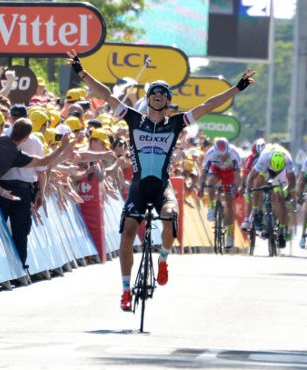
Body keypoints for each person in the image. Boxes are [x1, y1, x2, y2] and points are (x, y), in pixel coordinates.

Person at [67, 50, 255, 311]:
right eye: (154, 92)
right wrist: (82, 73)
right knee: (127, 235)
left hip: (162, 187)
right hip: (139, 187)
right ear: (148, 98)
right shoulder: (134, 118)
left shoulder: (176, 122)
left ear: (168, 101)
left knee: (169, 215)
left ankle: (163, 260)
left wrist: (237, 88)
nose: (158, 95)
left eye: (163, 93)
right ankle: (124, 291)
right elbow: (106, 95)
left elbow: (208, 105)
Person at [0, 118, 74, 269]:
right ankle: (19, 265)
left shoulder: (1, 139)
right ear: (26, 137)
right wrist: (62, 147)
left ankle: (4, 267)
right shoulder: (18, 150)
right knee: (20, 231)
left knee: (1, 229)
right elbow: (43, 164)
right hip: (18, 190)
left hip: (0, 188)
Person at [244, 144, 297, 248]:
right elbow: (250, 177)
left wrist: (286, 190)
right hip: (266, 170)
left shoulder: (287, 159)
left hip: (280, 174)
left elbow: (292, 181)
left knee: (281, 199)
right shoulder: (264, 158)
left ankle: (281, 231)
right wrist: (248, 191)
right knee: (257, 184)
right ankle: (256, 212)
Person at [198, 137, 241, 248]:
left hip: (229, 172)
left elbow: (237, 176)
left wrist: (235, 188)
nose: (222, 158)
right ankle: (212, 207)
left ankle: (229, 236)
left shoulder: (234, 154)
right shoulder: (210, 154)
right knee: (211, 182)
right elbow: (204, 173)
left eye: (224, 155)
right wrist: (201, 187)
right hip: (216, 170)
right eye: (219, 155)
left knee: (229, 201)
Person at [240, 138, 266, 230]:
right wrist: (244, 186)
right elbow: (245, 174)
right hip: (252, 178)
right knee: (250, 194)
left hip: (265, 177)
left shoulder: (267, 156)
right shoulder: (250, 158)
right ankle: (247, 219)